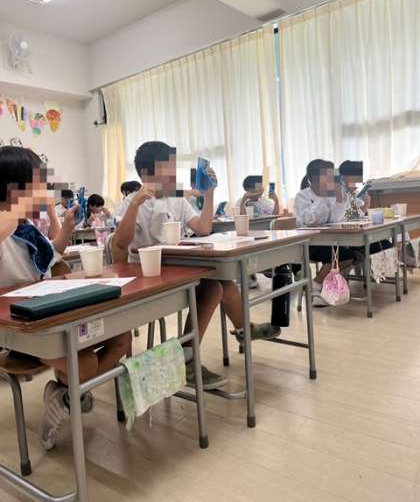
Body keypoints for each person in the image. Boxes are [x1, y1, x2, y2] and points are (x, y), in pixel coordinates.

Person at [114, 141, 280, 389]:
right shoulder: (132, 202)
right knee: (213, 288)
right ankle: (194, 357)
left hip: (177, 267)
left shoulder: (176, 199)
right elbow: (120, 242)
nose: (174, 173)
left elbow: (203, 228)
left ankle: (241, 332)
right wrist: (135, 205)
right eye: (169, 168)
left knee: (223, 282)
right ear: (149, 173)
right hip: (146, 273)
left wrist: (210, 193)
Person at [0, 146, 131, 450]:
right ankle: (68, 396)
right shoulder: (9, 223)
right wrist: (24, 206)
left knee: (122, 338)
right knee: (84, 363)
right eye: (35, 182)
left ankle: (63, 396)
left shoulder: (25, 226)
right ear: (14, 187)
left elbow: (52, 254)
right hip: (18, 328)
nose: (42, 189)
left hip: (48, 312)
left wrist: (67, 225)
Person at [295, 159, 357, 305]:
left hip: (328, 239)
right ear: (315, 178)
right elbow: (309, 220)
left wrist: (339, 199)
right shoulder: (302, 196)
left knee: (351, 254)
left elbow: (335, 220)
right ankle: (317, 284)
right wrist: (322, 196)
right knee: (344, 255)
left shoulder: (331, 195)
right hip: (309, 242)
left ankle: (321, 285)